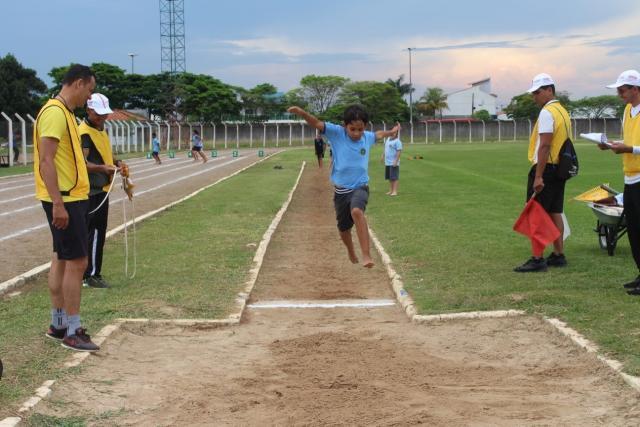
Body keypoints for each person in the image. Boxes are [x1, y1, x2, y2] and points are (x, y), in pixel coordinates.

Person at [34, 64, 99, 351]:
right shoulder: (54, 113)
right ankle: (73, 330)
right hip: (65, 199)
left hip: (71, 197)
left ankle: (59, 324)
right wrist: (58, 203)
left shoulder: (66, 115)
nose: (89, 96)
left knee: (61, 258)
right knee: (78, 262)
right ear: (78, 83)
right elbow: (45, 161)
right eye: (89, 90)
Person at [287, 104, 400, 268]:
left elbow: (379, 134)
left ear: (365, 127)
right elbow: (317, 123)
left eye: (360, 129)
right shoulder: (336, 133)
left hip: (360, 186)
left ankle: (366, 255)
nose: (356, 133)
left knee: (357, 211)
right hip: (341, 191)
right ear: (344, 126)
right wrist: (302, 113)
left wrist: (391, 132)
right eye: (352, 129)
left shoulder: (367, 137)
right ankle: (350, 250)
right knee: (343, 229)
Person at [514, 73, 571, 273]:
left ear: (549, 90)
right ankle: (558, 254)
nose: (534, 97)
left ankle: (537, 259)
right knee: (555, 212)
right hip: (559, 169)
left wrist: (538, 176)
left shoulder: (547, 112)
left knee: (535, 213)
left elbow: (545, 145)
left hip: (545, 168)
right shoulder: (562, 111)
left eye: (537, 92)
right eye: (533, 93)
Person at [601, 70, 640, 295]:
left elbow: (633, 145)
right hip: (630, 176)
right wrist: (612, 144)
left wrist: (629, 149)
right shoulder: (627, 111)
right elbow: (629, 140)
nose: (619, 94)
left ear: (635, 89)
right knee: (634, 230)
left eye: (623, 90)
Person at [80, 93, 125, 289]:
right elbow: (81, 163)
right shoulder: (84, 133)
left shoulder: (100, 129)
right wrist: (103, 169)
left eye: (104, 114)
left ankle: (90, 272)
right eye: (98, 114)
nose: (102, 118)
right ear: (88, 110)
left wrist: (116, 162)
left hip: (101, 189)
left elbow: (104, 154)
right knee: (95, 232)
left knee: (95, 232)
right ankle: (91, 275)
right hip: (91, 191)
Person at [382, 130, 403, 196]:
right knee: (390, 177)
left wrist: (396, 161)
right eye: (392, 132)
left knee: (394, 177)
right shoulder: (387, 139)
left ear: (396, 133)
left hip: (393, 162)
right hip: (387, 162)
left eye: (395, 133)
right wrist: (382, 156)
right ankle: (391, 190)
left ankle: (395, 191)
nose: (393, 134)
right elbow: (385, 149)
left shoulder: (397, 141)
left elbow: (399, 152)